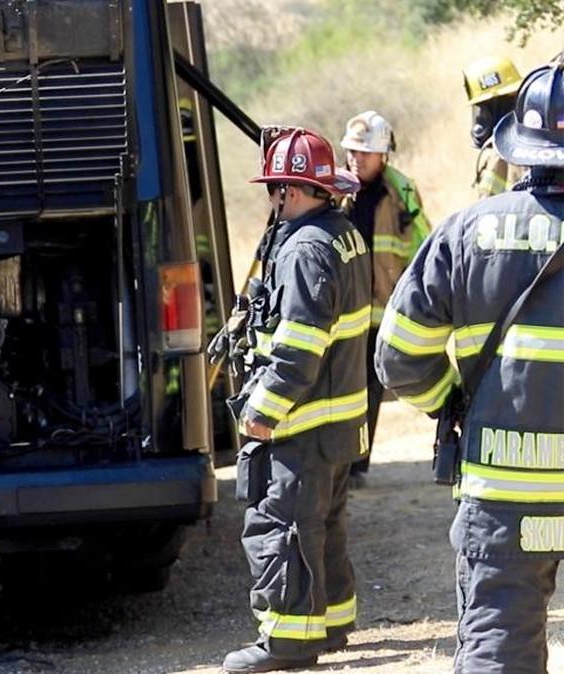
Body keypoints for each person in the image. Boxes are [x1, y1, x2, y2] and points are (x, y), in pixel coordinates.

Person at [376, 63, 564, 674]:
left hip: (504, 496)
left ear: (520, 151)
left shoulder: (467, 231)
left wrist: (452, 403)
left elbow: (398, 356)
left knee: (497, 648)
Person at [220, 128, 371, 673]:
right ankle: (329, 626)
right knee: (322, 526)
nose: (270, 199)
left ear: (293, 189)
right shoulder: (340, 234)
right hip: (336, 420)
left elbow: (299, 347)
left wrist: (261, 412)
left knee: (279, 525)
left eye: (274, 188)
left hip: (303, 423)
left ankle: (287, 643)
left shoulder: (304, 249)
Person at [338, 111, 432, 488]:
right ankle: (337, 463)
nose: (356, 159)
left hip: (380, 311)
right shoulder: (333, 189)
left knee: (369, 388)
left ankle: (357, 465)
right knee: (338, 387)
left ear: (384, 155)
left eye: (365, 153)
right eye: (352, 152)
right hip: (341, 311)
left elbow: (424, 247)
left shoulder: (401, 192)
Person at [463, 56, 525, 199]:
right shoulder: (535, 139)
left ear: (497, 106)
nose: (479, 119)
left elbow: (484, 209)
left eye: (482, 109)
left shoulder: (500, 153)